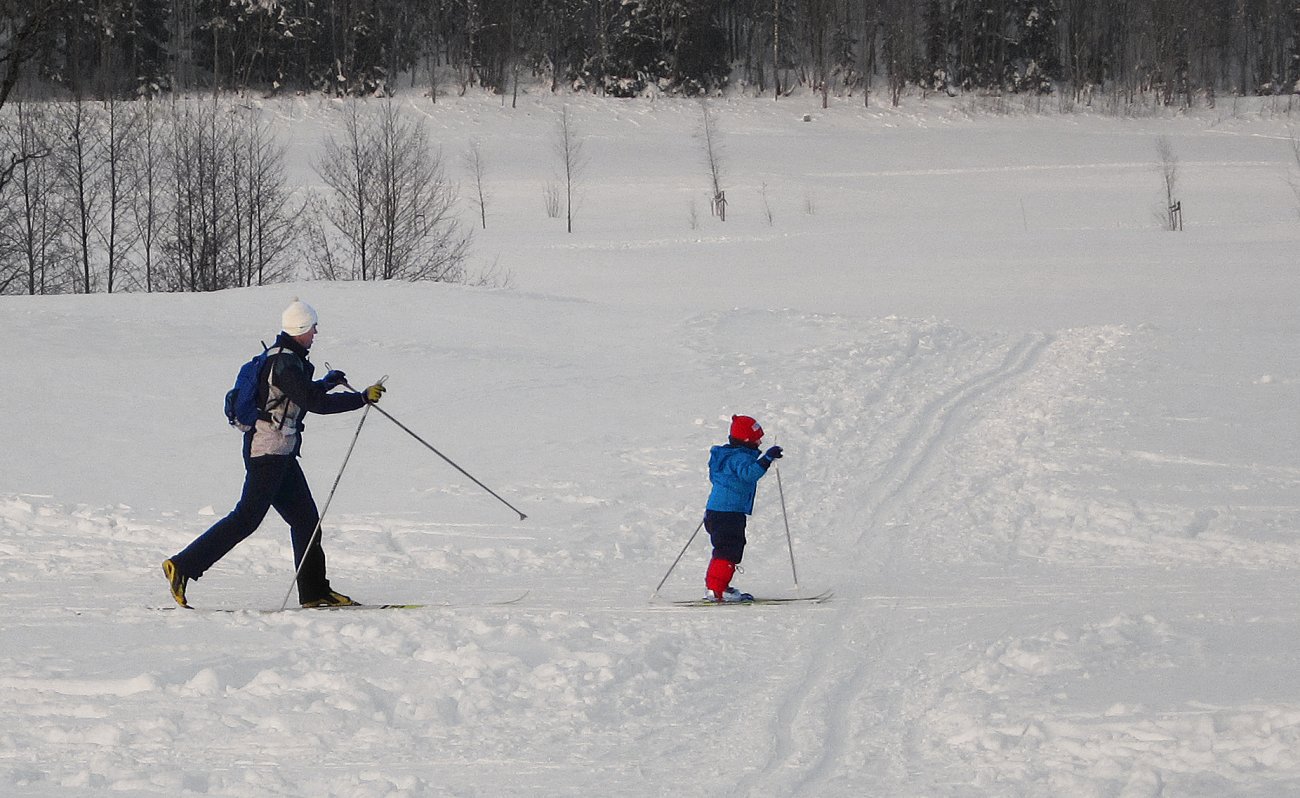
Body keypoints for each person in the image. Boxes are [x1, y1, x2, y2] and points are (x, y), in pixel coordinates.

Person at [162, 299, 387, 609]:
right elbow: (312, 403)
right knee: (246, 519)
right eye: (312, 328)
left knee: (306, 522)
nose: (316, 332)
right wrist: (360, 399)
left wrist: (326, 383)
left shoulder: (287, 360)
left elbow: (294, 397)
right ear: (300, 330)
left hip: (280, 452)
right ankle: (182, 566)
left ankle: (314, 592)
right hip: (267, 452)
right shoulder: (284, 363)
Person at [702, 414, 784, 602]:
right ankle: (716, 590)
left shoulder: (727, 456)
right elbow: (749, 474)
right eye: (757, 439)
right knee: (728, 549)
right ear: (746, 440)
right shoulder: (738, 458)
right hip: (728, 512)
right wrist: (767, 459)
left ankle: (718, 587)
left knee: (726, 548)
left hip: (719, 510)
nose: (760, 442)